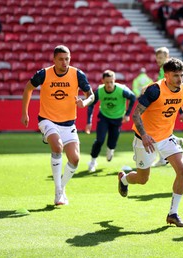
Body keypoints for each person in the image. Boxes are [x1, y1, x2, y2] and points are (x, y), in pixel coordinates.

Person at [117, 58, 183, 227]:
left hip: (166, 137)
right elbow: (136, 115)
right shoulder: (154, 90)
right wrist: (145, 134)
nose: (180, 79)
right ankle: (124, 179)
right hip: (145, 140)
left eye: (181, 75)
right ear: (166, 75)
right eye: (176, 75)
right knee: (142, 179)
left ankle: (173, 214)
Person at [21, 45, 94, 205]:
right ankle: (58, 191)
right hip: (47, 120)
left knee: (75, 159)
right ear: (54, 60)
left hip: (68, 124)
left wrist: (84, 103)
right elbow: (28, 88)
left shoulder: (77, 74)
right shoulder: (44, 74)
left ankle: (60, 189)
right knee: (57, 147)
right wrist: (25, 112)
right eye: (61, 59)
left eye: (67, 58)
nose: (64, 62)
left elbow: (91, 95)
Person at [86, 70, 136, 172]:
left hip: (117, 118)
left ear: (114, 80)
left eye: (111, 82)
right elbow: (91, 104)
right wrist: (89, 121)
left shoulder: (121, 90)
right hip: (104, 117)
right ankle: (92, 162)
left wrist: (127, 114)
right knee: (99, 140)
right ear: (103, 81)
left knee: (112, 142)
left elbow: (133, 97)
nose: (109, 85)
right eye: (107, 82)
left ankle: (110, 150)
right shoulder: (99, 91)